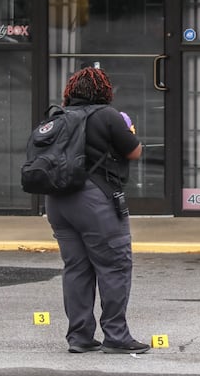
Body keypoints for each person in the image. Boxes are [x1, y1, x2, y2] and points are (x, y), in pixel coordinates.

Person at [45, 67, 149, 354]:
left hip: (57, 201)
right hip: (94, 200)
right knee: (114, 265)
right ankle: (116, 336)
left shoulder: (58, 117)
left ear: (71, 91)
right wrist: (128, 131)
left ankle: (79, 337)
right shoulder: (107, 115)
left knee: (76, 268)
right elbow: (134, 151)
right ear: (104, 90)